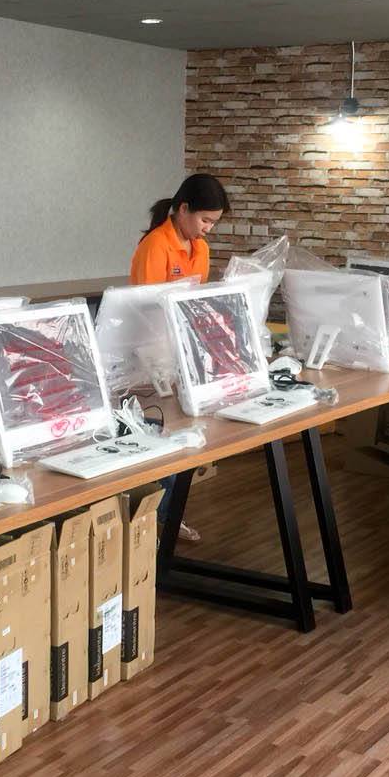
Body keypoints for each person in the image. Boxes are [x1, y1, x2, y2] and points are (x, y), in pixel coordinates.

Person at [129, 173, 231, 543]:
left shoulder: (199, 249)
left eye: (213, 223)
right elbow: (144, 312)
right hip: (149, 360)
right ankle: (156, 520)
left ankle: (167, 518)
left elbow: (192, 304)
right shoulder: (155, 246)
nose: (208, 229)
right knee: (162, 437)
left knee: (183, 437)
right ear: (183, 209)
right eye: (205, 220)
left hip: (180, 356)